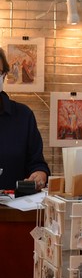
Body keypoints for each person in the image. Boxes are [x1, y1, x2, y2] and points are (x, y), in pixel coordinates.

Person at [0, 47, 50, 190]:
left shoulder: (23, 116)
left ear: (4, 75)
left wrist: (40, 174)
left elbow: (37, 163)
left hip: (15, 209)